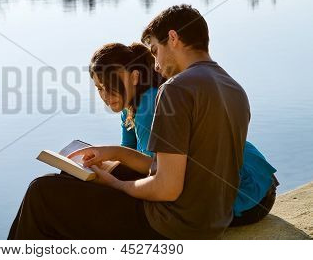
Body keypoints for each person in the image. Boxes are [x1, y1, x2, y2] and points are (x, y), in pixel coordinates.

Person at [8, 4, 256, 239]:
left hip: (174, 224)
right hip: (212, 221)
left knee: (41, 193)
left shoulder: (176, 89)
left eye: (156, 51)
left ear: (173, 38)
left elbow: (167, 188)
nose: (156, 66)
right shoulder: (234, 88)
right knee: (70, 183)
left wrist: (116, 184)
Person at [89, 42, 278, 226]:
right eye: (99, 88)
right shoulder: (130, 108)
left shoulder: (149, 104)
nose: (105, 95)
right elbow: (128, 159)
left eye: (111, 84)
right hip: (261, 185)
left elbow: (157, 171)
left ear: (135, 77)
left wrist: (112, 156)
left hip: (248, 195)